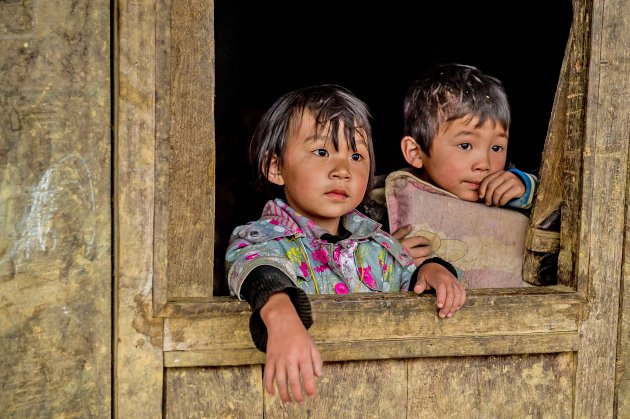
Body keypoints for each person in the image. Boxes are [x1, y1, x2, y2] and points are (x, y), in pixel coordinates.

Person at [225, 84, 466, 405]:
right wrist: (281, 316)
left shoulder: (376, 244)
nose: (342, 171)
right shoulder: (262, 237)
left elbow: (409, 276)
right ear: (276, 167)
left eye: (356, 155)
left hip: (376, 400)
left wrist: (434, 270)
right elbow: (256, 267)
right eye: (322, 152)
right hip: (295, 402)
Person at [366, 63, 539, 288]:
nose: (484, 164)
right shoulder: (373, 210)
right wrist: (381, 259)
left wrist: (530, 188)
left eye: (497, 148)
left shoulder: (516, 190)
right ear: (415, 153)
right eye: (465, 145)